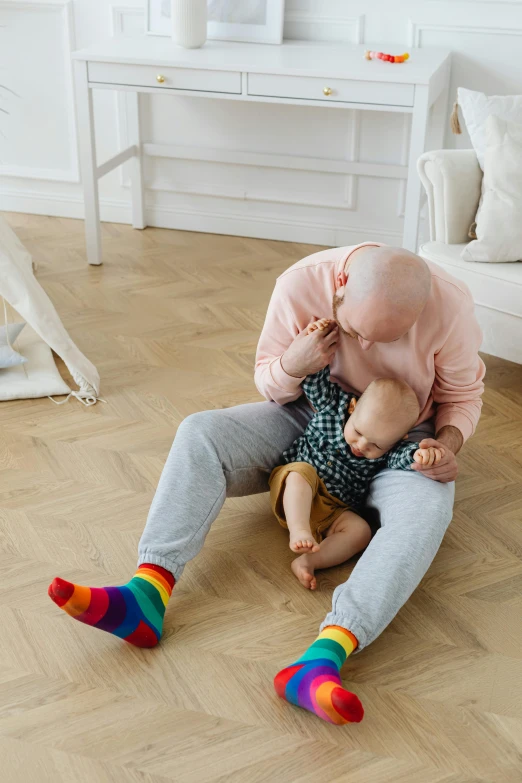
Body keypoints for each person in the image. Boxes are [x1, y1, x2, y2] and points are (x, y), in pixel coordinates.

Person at [48, 242, 485, 727]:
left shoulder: (452, 305)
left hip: (407, 441)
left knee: (428, 511)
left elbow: (463, 395)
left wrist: (445, 446)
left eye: (389, 338)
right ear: (339, 289)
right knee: (201, 431)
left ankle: (323, 657)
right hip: (311, 418)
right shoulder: (300, 284)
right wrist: (295, 364)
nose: (366, 349)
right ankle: (147, 592)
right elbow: (271, 383)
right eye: (358, 332)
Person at [273, 319, 444, 591]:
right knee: (299, 474)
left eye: (376, 445)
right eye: (359, 431)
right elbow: (315, 380)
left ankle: (310, 561)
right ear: (352, 407)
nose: (362, 445)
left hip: (335, 510)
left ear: (396, 440)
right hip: (299, 485)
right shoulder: (332, 407)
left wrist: (423, 456)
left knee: (361, 531)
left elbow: (404, 457)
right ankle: (299, 529)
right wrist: (315, 340)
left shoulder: (390, 449)